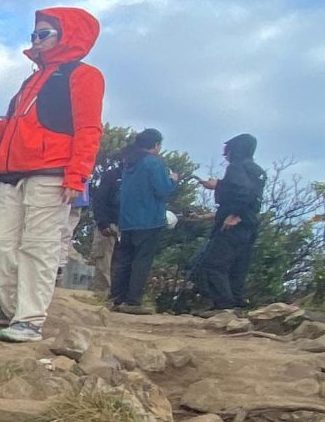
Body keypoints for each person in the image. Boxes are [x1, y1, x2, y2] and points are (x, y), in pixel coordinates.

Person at [0, 7, 105, 343]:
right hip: (15, 174)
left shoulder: (83, 75)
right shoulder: (33, 79)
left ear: (66, 35)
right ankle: (10, 307)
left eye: (44, 34)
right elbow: (11, 130)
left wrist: (76, 176)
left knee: (38, 246)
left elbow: (89, 128)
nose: (36, 40)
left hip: (51, 173)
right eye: (34, 35)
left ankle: (28, 319)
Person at [191, 134, 266, 311]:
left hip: (233, 225)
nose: (226, 155)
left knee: (213, 264)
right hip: (249, 224)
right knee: (238, 266)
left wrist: (234, 214)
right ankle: (237, 303)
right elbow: (252, 196)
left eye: (227, 152)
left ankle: (224, 305)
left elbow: (243, 192)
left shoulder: (236, 167)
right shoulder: (257, 170)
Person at [109, 129, 178, 310]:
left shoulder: (129, 163)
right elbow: (163, 189)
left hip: (127, 220)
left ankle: (117, 298)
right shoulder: (154, 163)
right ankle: (133, 301)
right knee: (142, 260)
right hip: (149, 219)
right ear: (155, 145)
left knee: (124, 259)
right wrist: (173, 180)